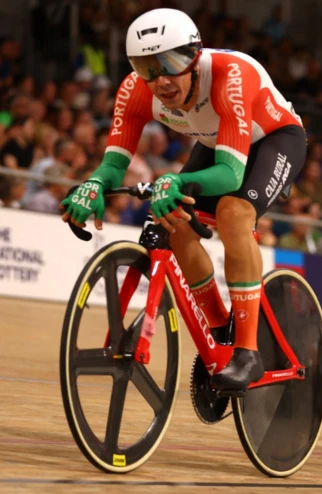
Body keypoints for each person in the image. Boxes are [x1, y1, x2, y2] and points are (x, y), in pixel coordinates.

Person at [60, 8, 306, 394]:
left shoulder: (229, 77)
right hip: (216, 141)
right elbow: (114, 163)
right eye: (146, 67)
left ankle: (248, 351)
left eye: (171, 62)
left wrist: (176, 178)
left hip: (274, 140)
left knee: (233, 212)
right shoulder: (134, 89)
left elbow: (231, 175)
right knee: (170, 220)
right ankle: (220, 325)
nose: (161, 80)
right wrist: (91, 185)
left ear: (194, 56)